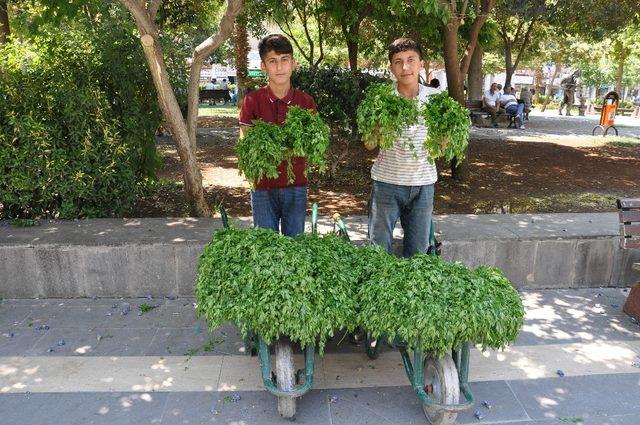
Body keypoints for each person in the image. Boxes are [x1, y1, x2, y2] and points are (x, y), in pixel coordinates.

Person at [364, 38, 442, 258]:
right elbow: (369, 144)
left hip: (423, 186)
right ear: (391, 67)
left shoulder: (436, 100)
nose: (405, 67)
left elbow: (438, 150)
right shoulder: (381, 99)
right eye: (398, 62)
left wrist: (443, 140)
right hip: (386, 184)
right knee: (377, 251)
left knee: (418, 255)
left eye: (411, 60)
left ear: (421, 64)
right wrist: (380, 128)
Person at [238, 34, 317, 237]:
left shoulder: (306, 102)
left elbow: (312, 143)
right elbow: (245, 140)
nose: (279, 67)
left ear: (293, 63)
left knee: (294, 246)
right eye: (272, 61)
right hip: (262, 186)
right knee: (266, 246)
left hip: (296, 185)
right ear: (264, 67)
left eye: (284, 60)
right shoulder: (252, 101)